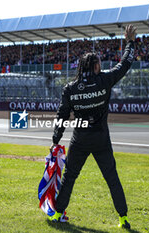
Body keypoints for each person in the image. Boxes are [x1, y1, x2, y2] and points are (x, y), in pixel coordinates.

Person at [49, 24, 137, 229]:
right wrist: (130, 43)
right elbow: (125, 64)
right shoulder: (104, 80)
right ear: (95, 67)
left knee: (69, 178)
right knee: (111, 178)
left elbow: (62, 115)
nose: (101, 66)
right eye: (99, 63)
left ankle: (58, 214)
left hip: (79, 140)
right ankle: (123, 217)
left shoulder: (70, 88)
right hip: (101, 139)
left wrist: (56, 139)